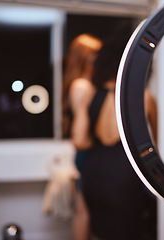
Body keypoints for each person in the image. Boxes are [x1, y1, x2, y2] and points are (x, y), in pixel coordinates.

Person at [74, 32, 158, 240]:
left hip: (96, 170)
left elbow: (79, 140)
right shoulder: (144, 97)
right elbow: (157, 145)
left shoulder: (91, 94)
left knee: (100, 230)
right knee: (128, 230)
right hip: (127, 173)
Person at [62, 33, 102, 240]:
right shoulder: (82, 86)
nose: (98, 57)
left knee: (83, 208)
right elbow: (80, 136)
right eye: (95, 53)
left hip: (88, 155)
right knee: (83, 210)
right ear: (84, 56)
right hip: (88, 154)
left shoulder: (85, 83)